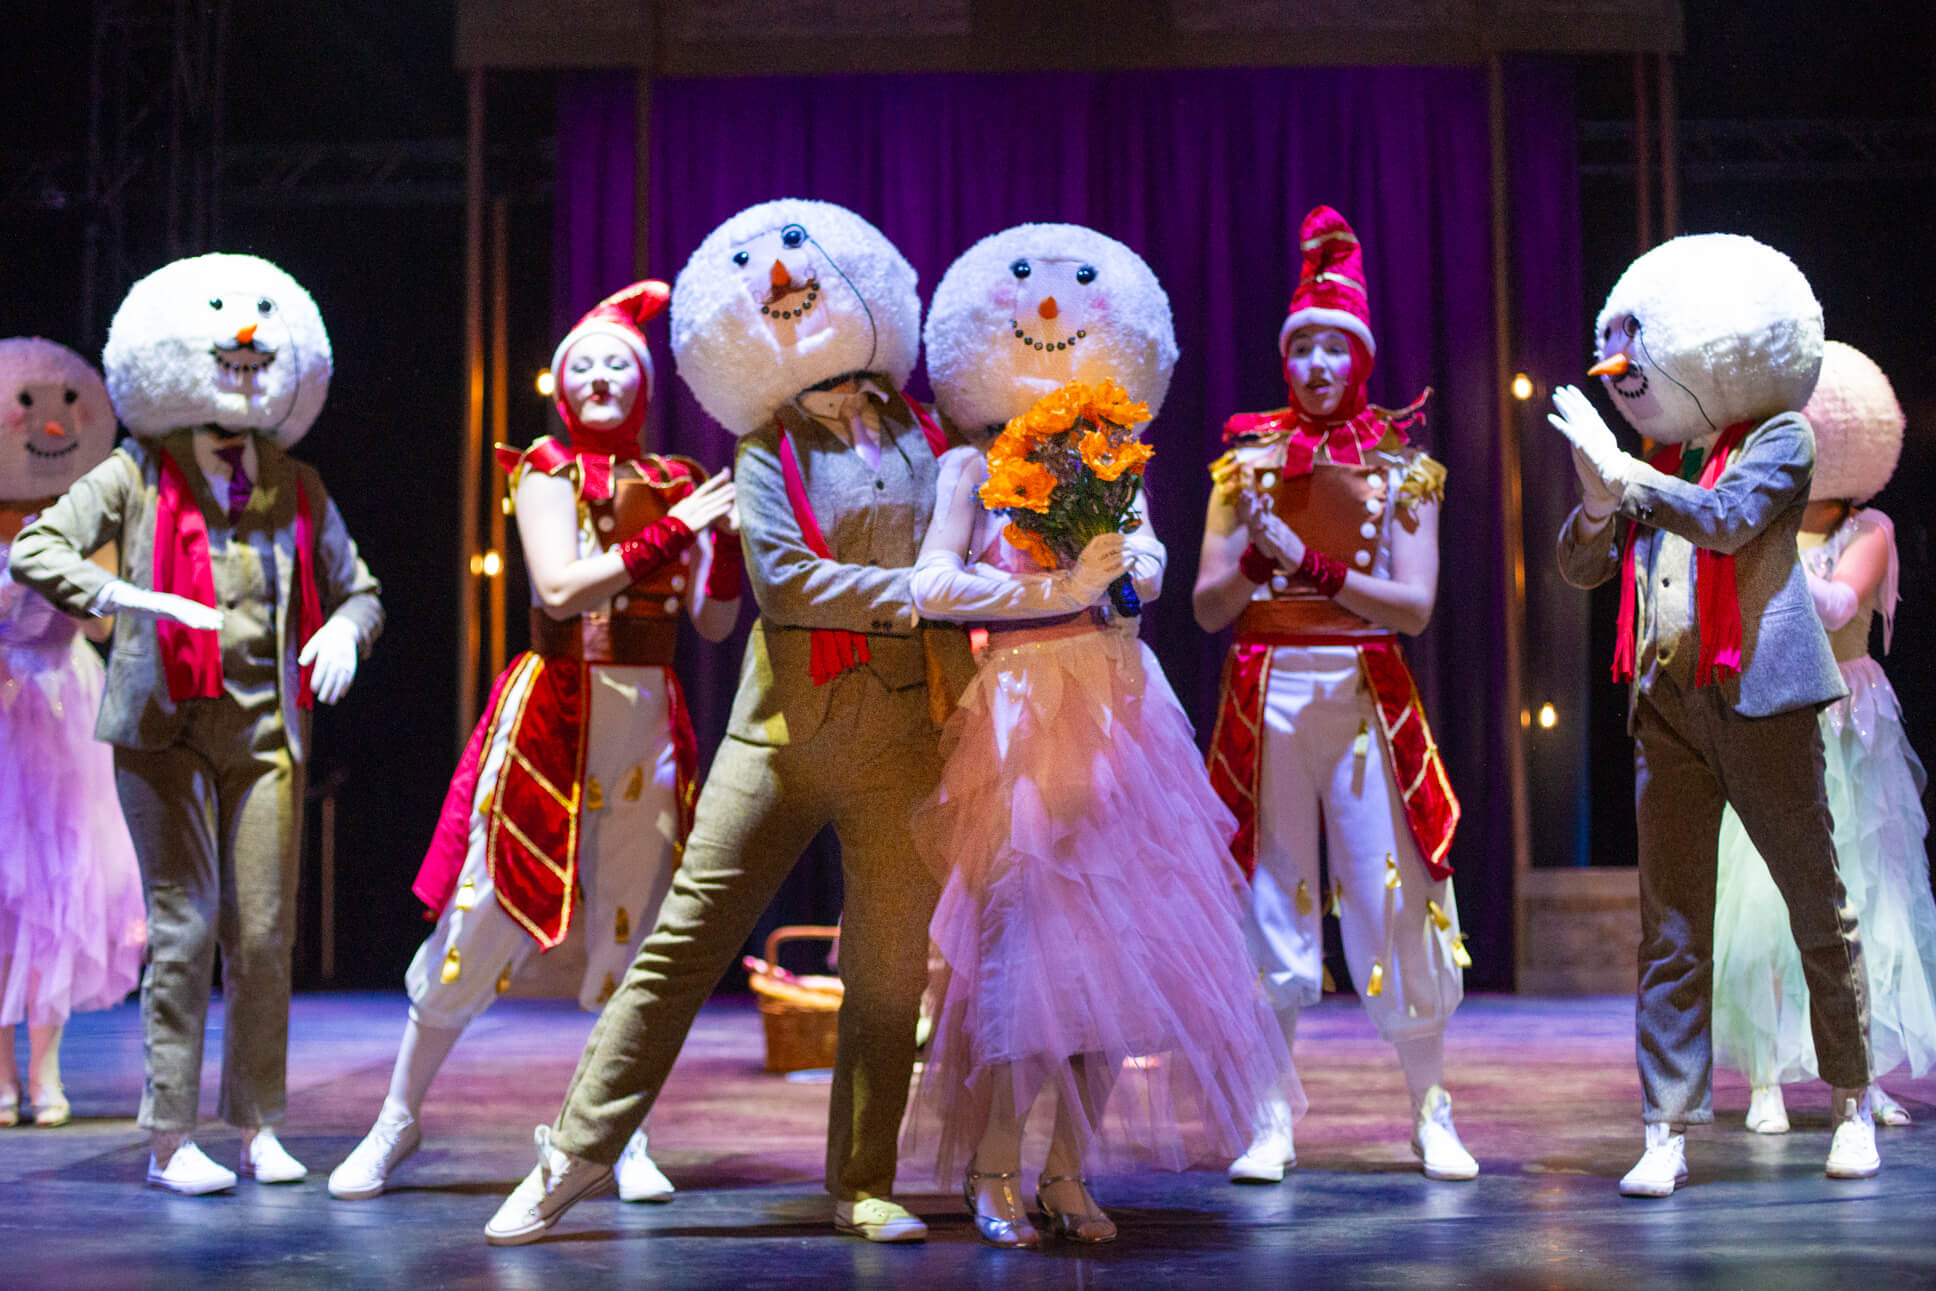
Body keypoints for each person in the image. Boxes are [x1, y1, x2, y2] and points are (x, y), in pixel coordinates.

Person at [483, 200, 973, 1246]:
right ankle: (572, 1154)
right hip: (782, 736)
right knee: (684, 943)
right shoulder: (763, 448)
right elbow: (789, 586)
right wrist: (922, 591)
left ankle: (863, 1178)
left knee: (887, 965)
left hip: (903, 737)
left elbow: (965, 555)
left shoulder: (930, 436)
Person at [905, 222, 1291, 1249]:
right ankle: (995, 1168)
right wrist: (1045, 587)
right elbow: (931, 584)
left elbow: (1153, 564)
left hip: (1118, 704)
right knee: (1021, 955)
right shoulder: (966, 465)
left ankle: (1069, 1170)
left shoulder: (1110, 458)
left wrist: (1118, 566)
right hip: (1025, 712)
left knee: (1117, 953)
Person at [328, 281, 739, 1203]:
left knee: (640, 929)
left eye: (617, 367)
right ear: (559, 384)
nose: (600, 379)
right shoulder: (545, 466)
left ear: (642, 387)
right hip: (555, 712)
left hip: (644, 725)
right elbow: (560, 590)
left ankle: (617, 1132)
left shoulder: (678, 479)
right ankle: (397, 1115)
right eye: (583, 366)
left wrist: (731, 549)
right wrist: (677, 531)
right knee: (483, 914)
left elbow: (711, 625)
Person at [11, 254, 382, 1193]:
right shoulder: (137, 472)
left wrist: (345, 624)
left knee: (260, 931)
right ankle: (170, 1136)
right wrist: (130, 594)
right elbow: (41, 548)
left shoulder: (295, 483)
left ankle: (257, 1122)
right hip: (161, 725)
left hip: (264, 729)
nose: (246, 341)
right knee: (183, 924)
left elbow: (362, 589)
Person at [1550, 232, 1875, 1196]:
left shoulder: (1781, 436)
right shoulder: (1650, 453)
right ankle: (1666, 1125)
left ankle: (1852, 1100)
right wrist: (1602, 503)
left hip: (1762, 701)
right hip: (1667, 704)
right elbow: (1579, 566)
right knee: (1672, 930)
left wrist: (1632, 480)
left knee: (1817, 903)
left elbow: (1728, 518)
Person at [1194, 206, 1474, 1185]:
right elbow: (1206, 602)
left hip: (1362, 689)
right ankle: (1270, 1114)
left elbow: (1413, 607)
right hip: (1264, 694)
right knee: (1270, 898)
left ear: (1359, 355)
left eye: (1332, 345)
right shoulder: (1244, 462)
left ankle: (1429, 1108)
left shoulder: (1404, 467)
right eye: (1301, 345)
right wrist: (1247, 557)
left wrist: (1300, 556)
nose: (1315, 363)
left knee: (1390, 894)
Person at [1712, 340, 1936, 1134]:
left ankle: (1859, 1075)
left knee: (1865, 895)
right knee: (1762, 905)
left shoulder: (1868, 525)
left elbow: (1840, 607)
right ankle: (1767, 1079)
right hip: (1773, 714)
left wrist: (1769, 547)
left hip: (1849, 715)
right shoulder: (1759, 518)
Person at [0, 337, 146, 1130]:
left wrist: (76, 574)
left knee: (59, 885)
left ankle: (47, 1066)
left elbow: (97, 622)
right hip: (3, 704)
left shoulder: (83, 519)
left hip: (62, 705)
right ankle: (1, 1074)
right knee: (3, 891)